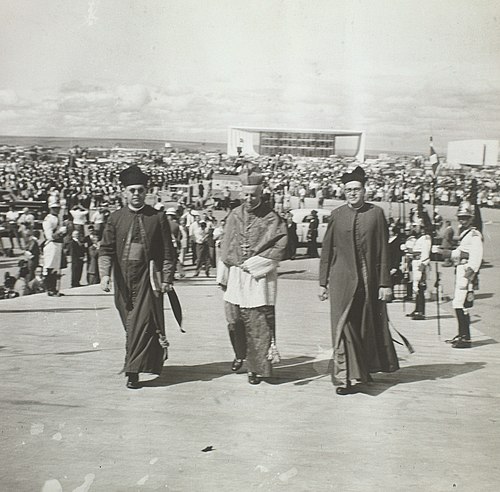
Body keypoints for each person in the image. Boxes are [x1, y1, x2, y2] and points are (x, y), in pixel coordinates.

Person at [318, 166, 398, 395]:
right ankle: (344, 378)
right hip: (341, 281)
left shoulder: (376, 214)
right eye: (348, 190)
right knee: (343, 327)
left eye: (356, 189)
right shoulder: (337, 214)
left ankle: (362, 370)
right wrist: (323, 282)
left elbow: (384, 250)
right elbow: (327, 250)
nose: (352, 193)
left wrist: (385, 283)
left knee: (365, 327)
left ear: (364, 190)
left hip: (368, 282)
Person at [98, 165, 176, 389]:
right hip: (122, 282)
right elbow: (105, 250)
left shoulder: (157, 217)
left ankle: (131, 371)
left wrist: (167, 279)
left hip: (148, 281)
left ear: (146, 192)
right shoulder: (115, 219)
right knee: (132, 325)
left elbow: (168, 253)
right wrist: (105, 276)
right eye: (132, 190)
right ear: (124, 192)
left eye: (140, 190)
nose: (136, 194)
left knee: (139, 324)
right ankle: (146, 360)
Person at [218, 165, 288, 385]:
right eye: (246, 195)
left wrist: (256, 264)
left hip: (258, 277)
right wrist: (223, 275)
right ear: (241, 194)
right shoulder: (234, 215)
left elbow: (280, 245)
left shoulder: (272, 218)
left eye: (254, 195)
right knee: (235, 321)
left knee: (257, 324)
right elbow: (225, 245)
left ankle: (255, 369)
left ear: (261, 194)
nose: (249, 199)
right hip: (236, 276)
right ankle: (241, 354)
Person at [443, 202, 483, 349]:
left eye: (465, 218)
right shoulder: (465, 233)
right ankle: (462, 334)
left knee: (459, 304)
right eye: (460, 218)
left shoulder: (474, 235)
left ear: (471, 218)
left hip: (466, 272)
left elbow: (476, 257)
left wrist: (469, 277)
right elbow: (461, 252)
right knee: (460, 304)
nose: (462, 220)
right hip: (460, 269)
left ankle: (465, 337)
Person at [405, 215, 432, 320]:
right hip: (415, 262)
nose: (414, 228)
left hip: (421, 264)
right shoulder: (418, 238)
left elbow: (425, 253)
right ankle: (416, 309)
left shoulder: (426, 238)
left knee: (420, 287)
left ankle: (421, 311)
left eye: (416, 226)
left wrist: (422, 265)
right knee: (415, 288)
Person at [42, 197, 66, 297]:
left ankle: (55, 289)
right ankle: (49, 289)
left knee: (56, 268)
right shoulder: (48, 220)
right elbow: (50, 236)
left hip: (58, 244)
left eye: (58, 208)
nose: (57, 210)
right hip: (51, 244)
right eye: (54, 208)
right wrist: (60, 231)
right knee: (50, 267)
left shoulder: (58, 218)